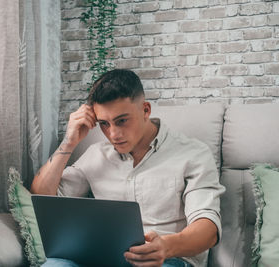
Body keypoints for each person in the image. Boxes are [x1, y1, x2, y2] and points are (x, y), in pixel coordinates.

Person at [31, 69, 225, 267]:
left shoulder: (193, 154)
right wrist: (70, 141)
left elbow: (208, 229)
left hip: (166, 260)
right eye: (104, 124)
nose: (113, 134)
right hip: (100, 258)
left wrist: (166, 246)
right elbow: (41, 196)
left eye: (122, 121)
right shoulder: (95, 155)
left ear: (145, 110)